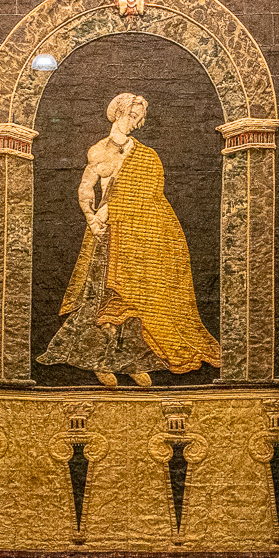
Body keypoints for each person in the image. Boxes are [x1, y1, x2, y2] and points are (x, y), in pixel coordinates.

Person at [37, 93, 221, 387]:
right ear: (119, 113)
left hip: (141, 236)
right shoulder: (99, 151)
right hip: (109, 235)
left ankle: (131, 362)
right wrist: (91, 218)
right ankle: (100, 362)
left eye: (139, 119)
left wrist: (113, 208)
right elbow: (86, 189)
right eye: (133, 116)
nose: (136, 123)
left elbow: (151, 196)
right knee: (103, 298)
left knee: (139, 298)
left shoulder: (146, 155)